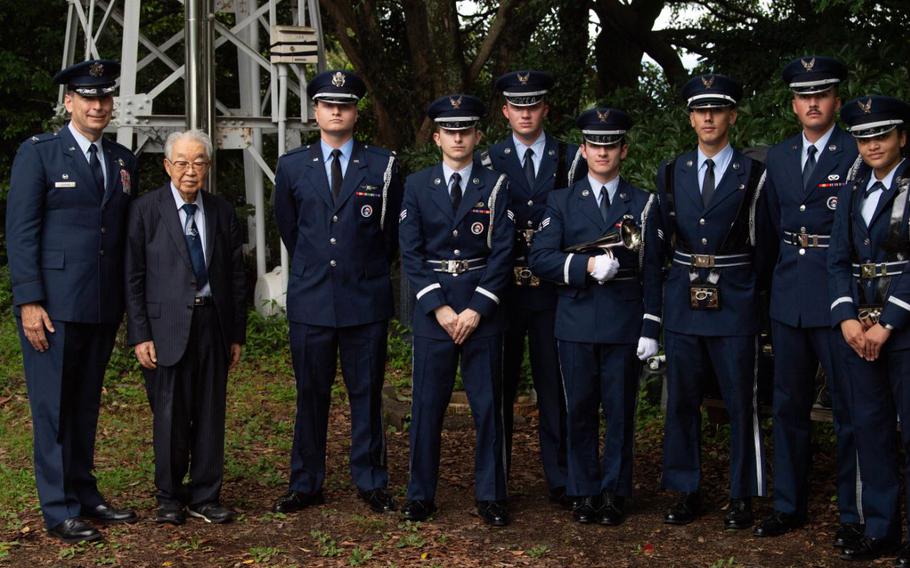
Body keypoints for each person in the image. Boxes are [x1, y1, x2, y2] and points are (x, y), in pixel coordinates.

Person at [5, 59, 138, 543]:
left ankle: (84, 493)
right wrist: (29, 301)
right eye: (88, 97)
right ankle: (59, 508)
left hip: (101, 306)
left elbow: (120, 236)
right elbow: (21, 233)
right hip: (53, 307)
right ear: (69, 102)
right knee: (53, 407)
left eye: (104, 98)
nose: (98, 105)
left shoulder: (123, 160)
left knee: (84, 405)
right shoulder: (39, 153)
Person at [272, 70, 403, 515]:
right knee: (311, 393)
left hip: (364, 299)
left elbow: (387, 238)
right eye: (328, 104)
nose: (336, 111)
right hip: (311, 300)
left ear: (355, 112)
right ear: (315, 111)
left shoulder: (382, 165)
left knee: (366, 393)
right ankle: (305, 482)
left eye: (344, 104)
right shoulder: (292, 166)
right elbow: (290, 229)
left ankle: (371, 480)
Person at [528, 107, 661, 525]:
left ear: (623, 149)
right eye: (595, 145)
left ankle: (615, 492)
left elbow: (655, 270)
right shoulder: (561, 202)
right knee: (579, 409)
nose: (603, 152)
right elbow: (540, 258)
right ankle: (584, 491)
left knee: (621, 411)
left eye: (611, 145)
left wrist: (651, 326)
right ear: (583, 150)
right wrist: (584, 268)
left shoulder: (644, 202)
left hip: (624, 321)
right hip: (576, 319)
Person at [754, 56, 863, 546]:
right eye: (804, 96)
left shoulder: (856, 151)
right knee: (788, 406)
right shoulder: (776, 157)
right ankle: (788, 504)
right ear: (794, 104)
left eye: (822, 94)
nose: (813, 103)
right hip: (788, 295)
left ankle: (854, 512)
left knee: (849, 408)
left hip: (838, 298)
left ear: (835, 100)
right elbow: (772, 231)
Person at [655, 73, 768, 529]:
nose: (708, 117)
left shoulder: (754, 173)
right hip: (684, 298)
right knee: (682, 400)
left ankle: (742, 494)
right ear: (690, 119)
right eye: (700, 110)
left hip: (735, 298)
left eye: (717, 109)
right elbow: (662, 239)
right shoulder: (671, 171)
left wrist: (751, 294)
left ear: (732, 116)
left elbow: (766, 245)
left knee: (741, 401)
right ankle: (686, 490)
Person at [398, 94, 514, 525]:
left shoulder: (496, 185)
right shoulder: (416, 185)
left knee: (489, 407)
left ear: (478, 135)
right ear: (437, 137)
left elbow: (503, 252)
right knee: (428, 406)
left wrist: (476, 309)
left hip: (482, 310)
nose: (458, 137)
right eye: (450, 130)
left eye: (466, 130)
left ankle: (491, 495)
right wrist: (440, 308)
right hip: (435, 313)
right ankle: (420, 494)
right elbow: (409, 253)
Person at [125, 129, 246, 525]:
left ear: (207, 167)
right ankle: (169, 497)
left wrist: (236, 333)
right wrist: (140, 334)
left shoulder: (222, 211)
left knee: (211, 411)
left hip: (213, 322)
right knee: (170, 414)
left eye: (198, 162)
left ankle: (206, 495)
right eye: (182, 162)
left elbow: (236, 276)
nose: (190, 171)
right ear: (167, 166)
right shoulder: (145, 210)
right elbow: (134, 277)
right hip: (165, 327)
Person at [480, 70, 587, 505]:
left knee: (554, 386)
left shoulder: (570, 159)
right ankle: (498, 482)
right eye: (516, 106)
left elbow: (581, 221)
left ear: (545, 109)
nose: (525, 113)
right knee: (498, 387)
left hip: (550, 289)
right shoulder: (488, 160)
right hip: (503, 289)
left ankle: (560, 479)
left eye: (533, 105)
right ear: (505, 112)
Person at [829, 95, 910, 563]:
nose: (872, 144)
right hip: (858, 329)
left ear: (902, 137)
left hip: (903, 331)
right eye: (863, 137)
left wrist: (890, 323)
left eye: (881, 134)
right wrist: (845, 317)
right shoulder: (855, 189)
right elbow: (836, 258)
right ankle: (881, 531)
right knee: (871, 431)